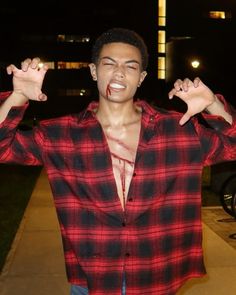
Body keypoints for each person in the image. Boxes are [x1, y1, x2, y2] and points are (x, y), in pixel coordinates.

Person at [0, 27, 235, 295]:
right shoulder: (59, 134)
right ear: (93, 71)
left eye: (130, 66)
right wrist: (18, 96)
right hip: (93, 278)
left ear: (141, 77)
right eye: (109, 64)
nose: (119, 73)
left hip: (158, 275)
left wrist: (212, 107)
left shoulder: (178, 129)